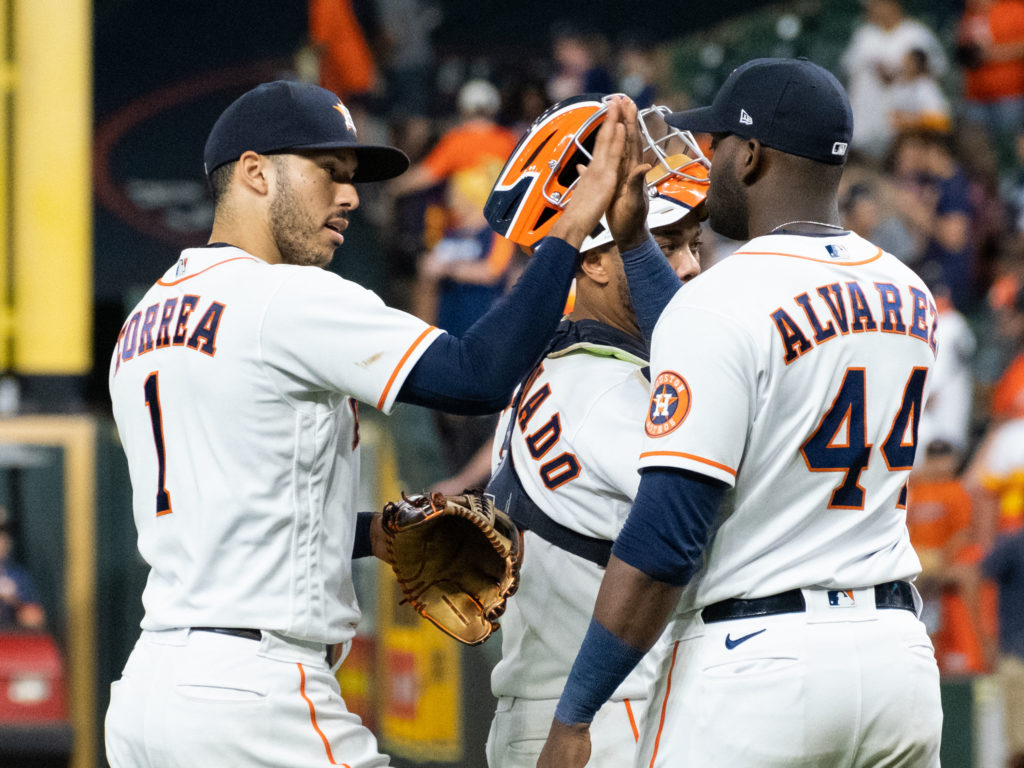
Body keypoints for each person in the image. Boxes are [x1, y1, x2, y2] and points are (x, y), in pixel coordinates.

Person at [103, 79, 644, 768]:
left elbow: (231, 510)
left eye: (352, 178)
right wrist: (570, 227)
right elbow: (475, 376)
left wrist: (373, 535)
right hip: (254, 697)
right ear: (254, 172)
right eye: (329, 173)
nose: (351, 196)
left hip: (153, 690)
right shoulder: (281, 297)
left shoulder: (145, 317)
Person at [538, 57, 944, 768]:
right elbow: (725, 344)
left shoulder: (724, 298)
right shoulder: (909, 292)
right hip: (897, 662)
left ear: (751, 155)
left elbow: (665, 542)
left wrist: (575, 714)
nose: (709, 157)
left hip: (760, 666)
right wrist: (635, 244)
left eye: (720, 143)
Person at [484, 116, 709, 768]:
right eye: (664, 246)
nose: (690, 267)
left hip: (555, 712)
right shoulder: (617, 392)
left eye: (694, 244)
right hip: (610, 725)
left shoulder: (549, 367)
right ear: (594, 262)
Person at [841, 0, 947, 160]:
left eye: (877, 5)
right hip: (863, 120)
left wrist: (900, 72)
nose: (872, 9)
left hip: (900, 125)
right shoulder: (865, 34)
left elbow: (938, 68)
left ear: (892, 5)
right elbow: (848, 68)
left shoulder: (916, 33)